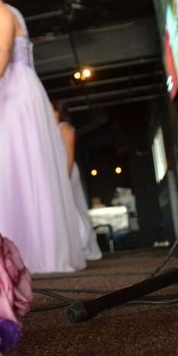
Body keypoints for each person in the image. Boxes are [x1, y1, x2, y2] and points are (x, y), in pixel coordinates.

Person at [0, 0, 85, 273]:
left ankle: (46, 250)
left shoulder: (5, 12)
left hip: (18, 89)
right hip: (3, 96)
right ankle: (20, 251)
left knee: (29, 161)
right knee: (12, 166)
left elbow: (6, 51)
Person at [53, 104, 102, 261]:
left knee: (72, 206)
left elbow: (69, 154)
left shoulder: (65, 128)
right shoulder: (47, 130)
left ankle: (83, 242)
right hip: (55, 172)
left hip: (66, 170)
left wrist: (65, 176)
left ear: (57, 112)